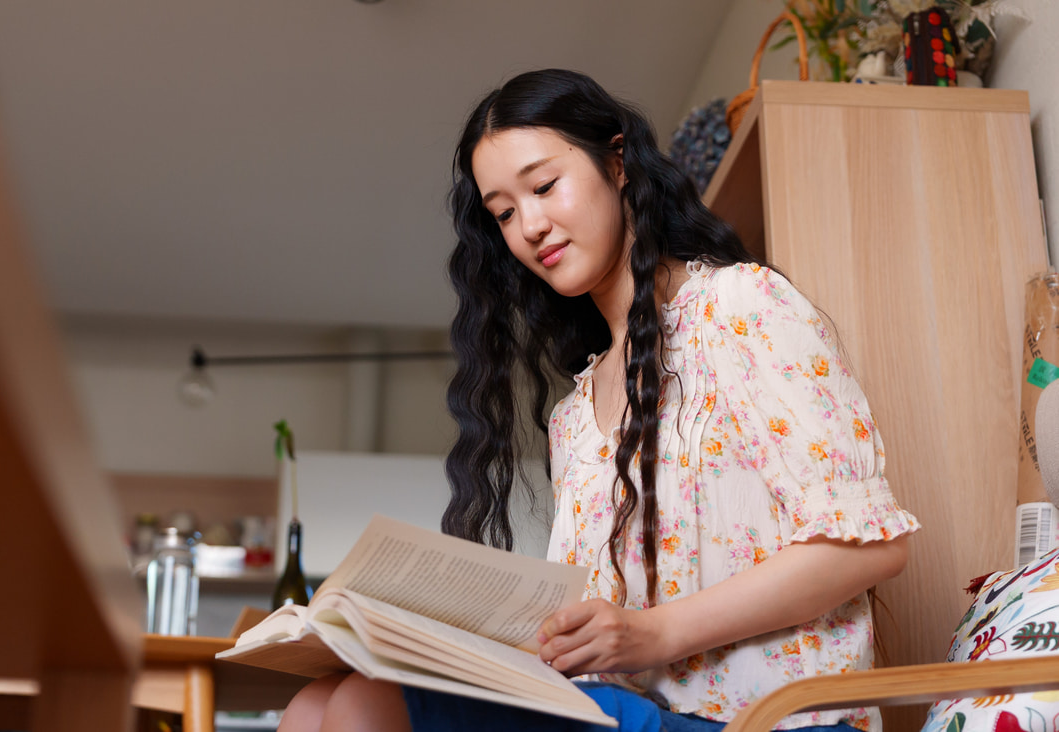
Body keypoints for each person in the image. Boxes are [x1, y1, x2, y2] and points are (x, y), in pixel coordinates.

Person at [277, 69, 919, 732]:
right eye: (503, 212)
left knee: (361, 705)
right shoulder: (574, 418)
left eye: (544, 186)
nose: (529, 225)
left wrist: (651, 634)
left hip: (768, 722)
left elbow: (870, 546)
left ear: (617, 164)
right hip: (636, 711)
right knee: (315, 702)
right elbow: (605, 636)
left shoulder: (741, 308)